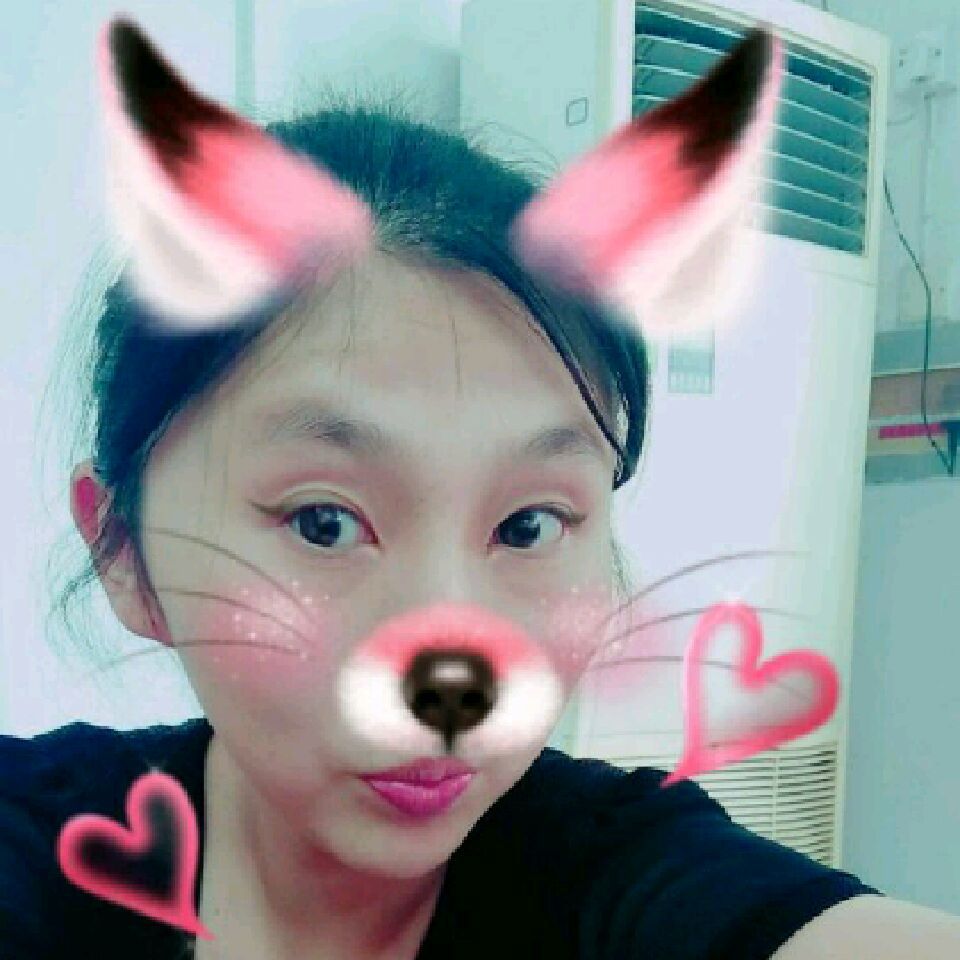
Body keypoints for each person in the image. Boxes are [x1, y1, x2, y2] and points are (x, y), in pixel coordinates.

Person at [1, 16, 958, 960]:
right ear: (122, 551)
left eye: (529, 524)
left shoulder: (612, 869)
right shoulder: (42, 845)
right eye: (325, 522)